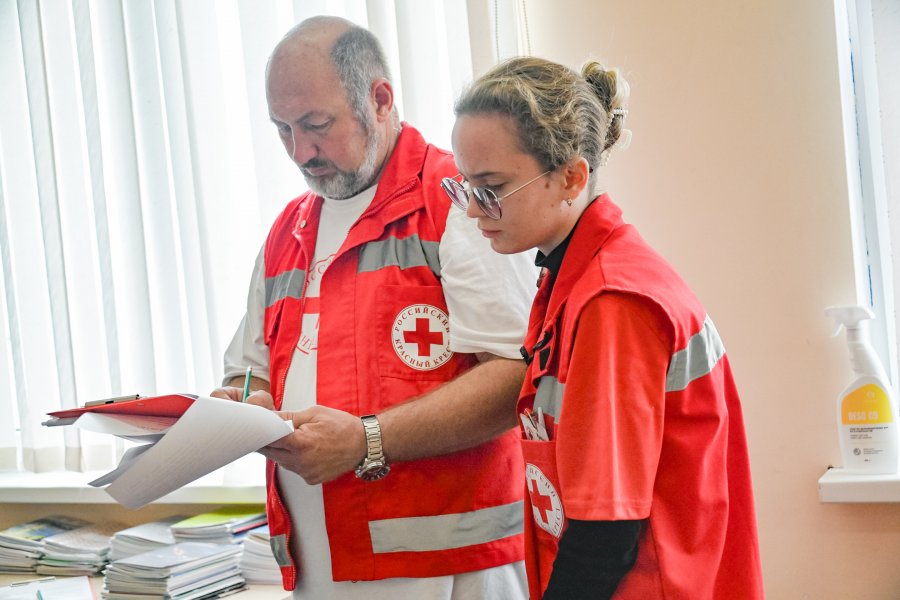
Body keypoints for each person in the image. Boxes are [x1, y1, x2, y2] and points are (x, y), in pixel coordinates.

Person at [211, 16, 537, 600]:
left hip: (451, 570)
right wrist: (244, 404)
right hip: (318, 566)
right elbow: (248, 369)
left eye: (316, 124)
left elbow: (517, 374)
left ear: (380, 99)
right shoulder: (289, 229)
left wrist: (367, 439)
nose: (301, 152)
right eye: (283, 130)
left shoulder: (458, 202)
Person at [445, 56, 765, 599]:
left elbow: (605, 531)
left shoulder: (611, 301)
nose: (475, 211)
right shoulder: (569, 279)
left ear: (571, 177)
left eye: (492, 187)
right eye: (465, 186)